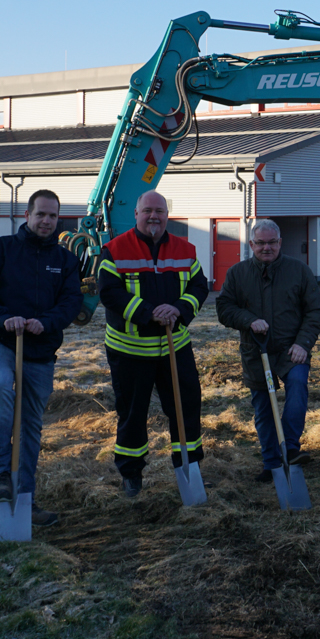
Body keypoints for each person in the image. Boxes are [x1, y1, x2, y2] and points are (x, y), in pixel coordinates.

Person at [0, 189, 82, 527]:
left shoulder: (65, 261)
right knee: (0, 386)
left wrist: (47, 322)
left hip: (40, 351)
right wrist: (2, 317)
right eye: (40, 214)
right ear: (27, 216)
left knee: (30, 425)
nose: (46, 221)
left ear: (59, 220)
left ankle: (25, 499)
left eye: (53, 216)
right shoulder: (0, 251)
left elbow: (71, 303)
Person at [98, 190, 209, 497]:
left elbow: (200, 286)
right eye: (147, 210)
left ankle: (190, 467)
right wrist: (149, 314)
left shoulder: (186, 250)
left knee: (187, 408)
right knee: (133, 414)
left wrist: (179, 310)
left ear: (167, 216)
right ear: (136, 214)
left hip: (176, 346)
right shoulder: (114, 250)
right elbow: (109, 293)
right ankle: (131, 474)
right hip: (130, 351)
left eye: (159, 211)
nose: (153, 216)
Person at [217, 219, 320, 482]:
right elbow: (224, 309)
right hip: (256, 350)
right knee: (263, 408)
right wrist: (249, 320)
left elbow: (314, 311)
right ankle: (271, 463)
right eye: (261, 243)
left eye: (272, 242)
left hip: (291, 349)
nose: (267, 248)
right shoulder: (237, 274)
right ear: (252, 244)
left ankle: (289, 448)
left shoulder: (298, 270)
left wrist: (303, 344)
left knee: (298, 385)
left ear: (280, 243)